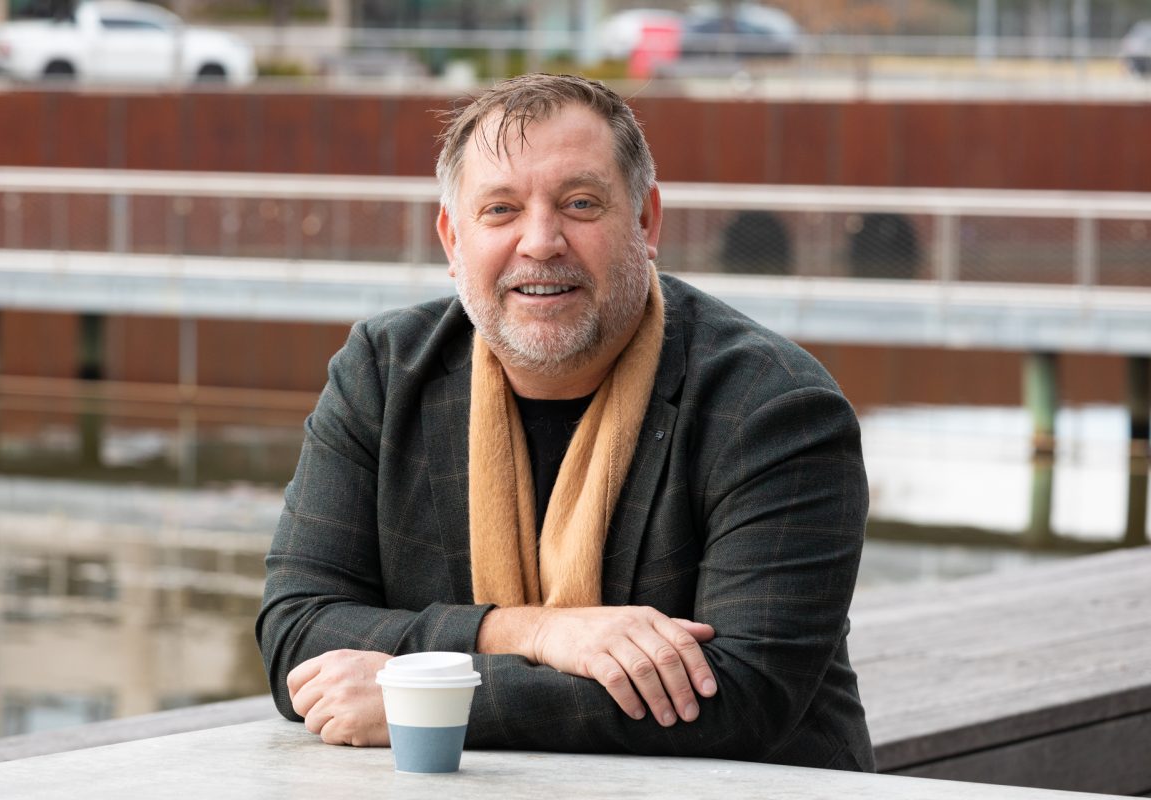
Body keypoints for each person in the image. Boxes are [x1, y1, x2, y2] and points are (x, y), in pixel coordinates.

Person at [256, 73, 873, 771]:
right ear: (452, 237)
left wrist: (420, 694)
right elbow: (297, 632)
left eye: (580, 203)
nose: (541, 242)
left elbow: (738, 696)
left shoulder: (775, 407)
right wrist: (541, 633)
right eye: (500, 210)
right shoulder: (382, 372)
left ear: (646, 222)